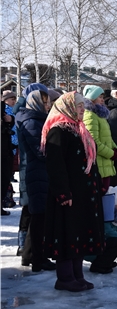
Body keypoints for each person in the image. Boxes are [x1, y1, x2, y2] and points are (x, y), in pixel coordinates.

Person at [41, 92, 105, 291]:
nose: (82, 109)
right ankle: (65, 278)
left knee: (79, 233)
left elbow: (88, 161)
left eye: (82, 106)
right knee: (67, 233)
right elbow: (55, 165)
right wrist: (63, 192)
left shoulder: (79, 129)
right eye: (78, 106)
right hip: (68, 194)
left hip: (83, 193)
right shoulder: (58, 131)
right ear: (67, 107)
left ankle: (78, 274)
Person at [15, 90, 56, 271]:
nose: (48, 106)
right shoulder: (32, 121)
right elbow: (41, 151)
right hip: (38, 172)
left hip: (40, 172)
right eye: (45, 102)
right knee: (39, 217)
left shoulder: (37, 120)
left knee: (38, 216)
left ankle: (30, 255)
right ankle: (38, 259)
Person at [82, 85, 117, 192]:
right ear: (92, 98)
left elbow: (107, 137)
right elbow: (93, 142)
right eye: (100, 97)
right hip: (98, 162)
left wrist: (115, 148)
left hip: (104, 161)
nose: (103, 99)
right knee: (100, 194)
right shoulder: (89, 115)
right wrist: (111, 153)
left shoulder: (99, 114)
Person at [1, 100, 15, 216]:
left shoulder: (3, 108)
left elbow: (9, 126)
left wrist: (10, 120)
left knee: (4, 179)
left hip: (5, 150)